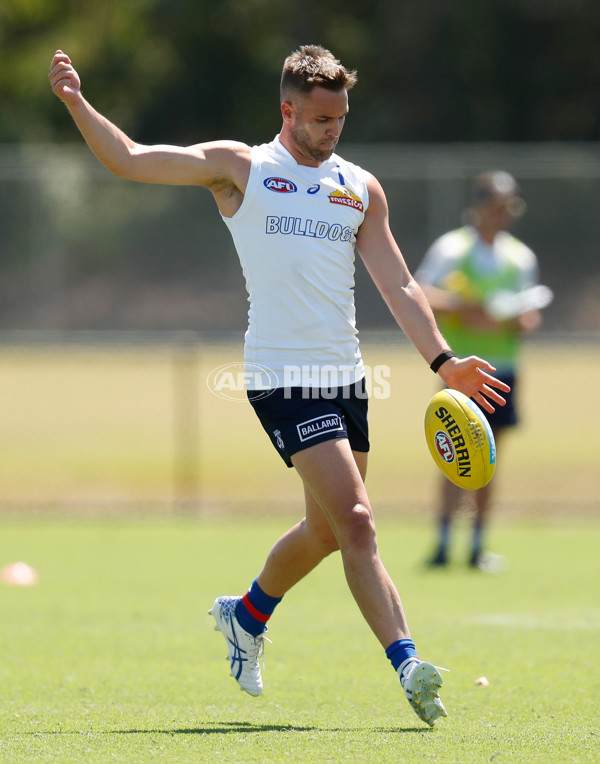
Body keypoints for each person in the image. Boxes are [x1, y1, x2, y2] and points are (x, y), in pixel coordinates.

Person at [49, 45, 510, 727]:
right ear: (288, 110)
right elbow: (129, 158)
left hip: (346, 378)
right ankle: (409, 664)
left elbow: (399, 283)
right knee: (357, 520)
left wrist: (445, 363)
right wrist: (76, 102)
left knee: (328, 531)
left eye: (341, 118)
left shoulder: (360, 187)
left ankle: (247, 613)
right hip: (280, 376)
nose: (333, 131)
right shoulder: (243, 169)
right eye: (321, 119)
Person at [415, 171, 545, 571]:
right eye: (497, 205)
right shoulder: (453, 249)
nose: (504, 214)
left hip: (502, 370)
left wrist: (516, 319)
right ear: (479, 207)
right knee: (455, 457)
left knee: (487, 460)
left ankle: (476, 545)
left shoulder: (519, 255)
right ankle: (441, 543)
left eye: (510, 206)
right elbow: (421, 293)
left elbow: (529, 315)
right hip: (462, 371)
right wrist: (468, 309)